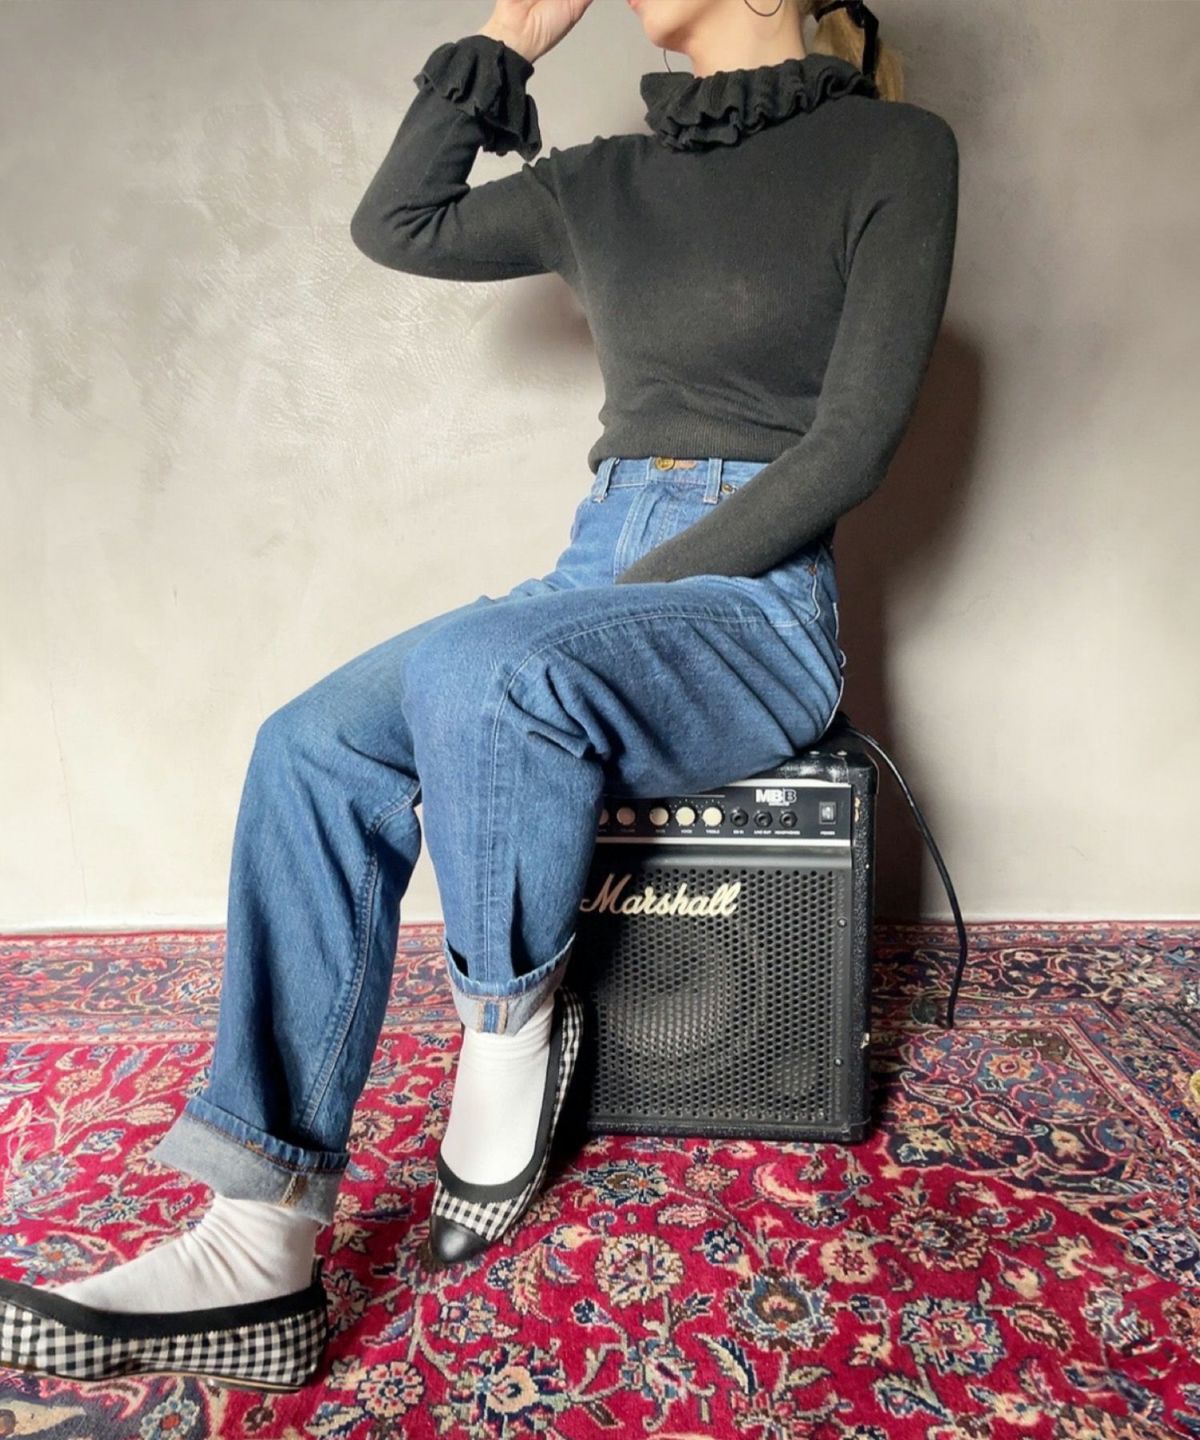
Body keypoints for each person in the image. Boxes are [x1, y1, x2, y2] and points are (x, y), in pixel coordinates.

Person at [0, 0, 958, 1392]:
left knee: (484, 666)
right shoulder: (606, 181)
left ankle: (510, 1031)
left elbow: (853, 443)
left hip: (755, 603)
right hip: (594, 563)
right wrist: (510, 35)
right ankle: (258, 1240)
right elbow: (398, 223)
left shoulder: (896, 152)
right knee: (309, 745)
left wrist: (603, 613)